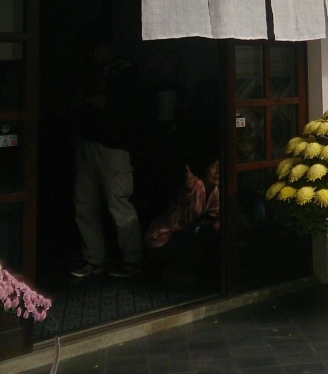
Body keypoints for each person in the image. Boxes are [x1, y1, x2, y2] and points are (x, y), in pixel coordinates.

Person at [70, 31, 143, 280]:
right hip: (88, 142)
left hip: (113, 145)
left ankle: (132, 260)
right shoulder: (88, 71)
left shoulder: (125, 71)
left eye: (99, 47)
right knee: (84, 203)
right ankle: (93, 258)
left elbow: (135, 107)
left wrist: (108, 104)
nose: (94, 52)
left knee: (118, 202)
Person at [145, 159, 220, 279]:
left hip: (180, 237)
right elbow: (184, 197)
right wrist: (188, 190)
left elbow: (215, 216)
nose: (218, 171)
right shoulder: (197, 185)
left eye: (220, 166)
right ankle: (173, 275)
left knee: (210, 231)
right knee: (205, 232)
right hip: (163, 240)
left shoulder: (215, 191)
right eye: (213, 166)